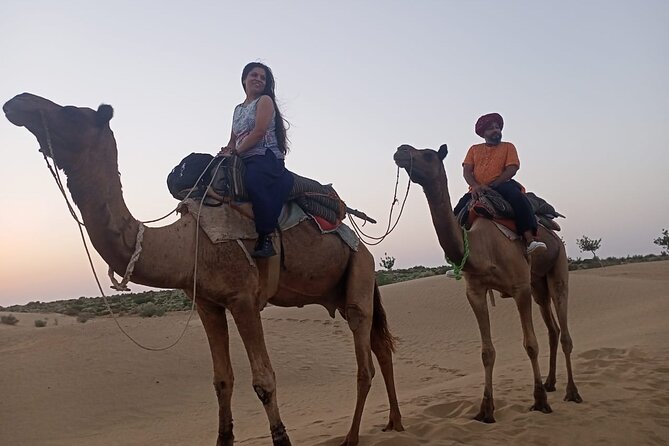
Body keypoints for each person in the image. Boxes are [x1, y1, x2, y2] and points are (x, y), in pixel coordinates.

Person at [219, 62, 294, 258]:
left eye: (263, 77)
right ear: (244, 79)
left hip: (265, 157)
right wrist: (226, 151)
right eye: (254, 75)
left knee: (253, 182)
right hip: (244, 157)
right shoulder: (238, 109)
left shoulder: (265, 101)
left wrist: (236, 152)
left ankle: (265, 236)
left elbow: (259, 132)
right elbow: (233, 139)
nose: (258, 79)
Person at [453, 113, 546, 255]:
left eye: (497, 127)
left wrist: (494, 184)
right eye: (491, 128)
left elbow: (512, 168)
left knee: (518, 199)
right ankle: (457, 256)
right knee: (456, 213)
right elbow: (466, 171)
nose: (496, 130)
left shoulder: (508, 146)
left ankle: (530, 240)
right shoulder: (473, 149)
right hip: (477, 189)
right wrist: (477, 186)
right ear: (484, 133)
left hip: (502, 185)